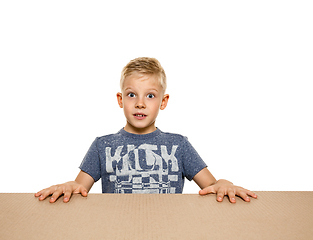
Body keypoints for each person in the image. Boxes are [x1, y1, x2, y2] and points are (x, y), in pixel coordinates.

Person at [35, 57, 257, 204]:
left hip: (169, 230)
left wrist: (225, 184)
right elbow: (79, 188)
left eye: (150, 95)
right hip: (116, 230)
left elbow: (211, 186)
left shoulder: (178, 145)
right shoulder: (102, 145)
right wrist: (66, 185)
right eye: (132, 95)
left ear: (163, 101)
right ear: (120, 100)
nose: (140, 103)